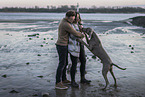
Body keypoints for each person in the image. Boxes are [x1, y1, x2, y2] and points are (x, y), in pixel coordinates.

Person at [55, 10, 84, 90]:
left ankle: (64, 80)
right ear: (67, 17)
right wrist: (82, 35)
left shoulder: (64, 21)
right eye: (71, 19)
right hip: (62, 45)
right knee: (62, 64)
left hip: (63, 45)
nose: (72, 21)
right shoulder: (66, 24)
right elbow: (75, 33)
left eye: (73, 19)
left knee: (65, 63)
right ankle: (58, 83)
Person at [68, 12, 91, 88]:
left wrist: (82, 31)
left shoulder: (79, 25)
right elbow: (72, 36)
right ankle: (73, 81)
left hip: (80, 45)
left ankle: (82, 78)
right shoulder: (71, 25)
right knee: (74, 63)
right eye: (76, 17)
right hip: (73, 46)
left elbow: (82, 36)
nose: (77, 18)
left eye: (78, 17)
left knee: (83, 61)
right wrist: (80, 35)